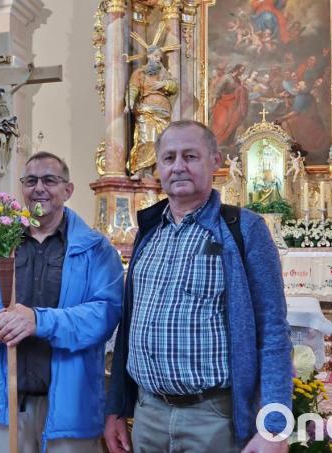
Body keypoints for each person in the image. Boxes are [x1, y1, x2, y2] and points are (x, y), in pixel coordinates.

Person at [104, 121, 292, 453]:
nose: (178, 166)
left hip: (212, 418)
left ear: (215, 161)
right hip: (148, 415)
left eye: (190, 156)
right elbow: (129, 325)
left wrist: (274, 427)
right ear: (158, 166)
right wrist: (118, 408)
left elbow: (273, 330)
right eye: (169, 158)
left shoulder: (243, 230)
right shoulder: (149, 232)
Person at [0, 151, 124, 453]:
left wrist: (39, 321)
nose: (39, 188)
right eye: (31, 181)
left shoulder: (96, 249)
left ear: (68, 190)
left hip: (70, 408)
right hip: (10, 404)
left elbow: (104, 315)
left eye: (49, 180)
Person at [125, 46, 179, 180]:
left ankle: (157, 172)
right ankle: (142, 170)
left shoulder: (164, 74)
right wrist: (129, 102)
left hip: (163, 112)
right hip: (146, 110)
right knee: (145, 139)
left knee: (162, 142)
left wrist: (164, 84)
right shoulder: (140, 73)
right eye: (155, 56)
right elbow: (133, 89)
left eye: (159, 57)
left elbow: (174, 87)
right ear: (148, 56)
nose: (158, 59)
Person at [210, 64, 249, 148]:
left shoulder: (237, 80)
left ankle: (228, 142)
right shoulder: (226, 77)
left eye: (244, 70)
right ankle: (218, 142)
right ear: (237, 69)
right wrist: (213, 103)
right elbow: (217, 90)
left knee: (233, 122)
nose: (242, 72)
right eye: (242, 69)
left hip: (233, 105)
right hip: (224, 103)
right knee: (222, 123)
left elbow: (239, 91)